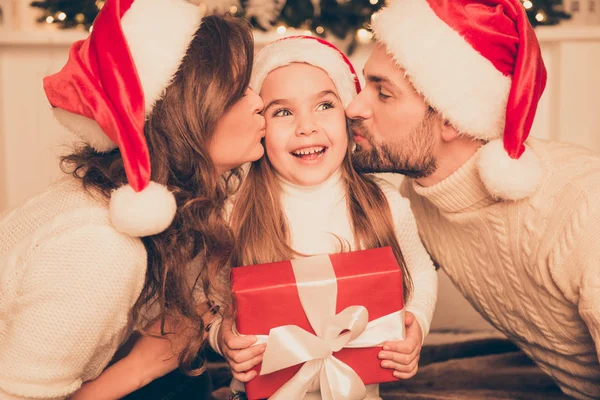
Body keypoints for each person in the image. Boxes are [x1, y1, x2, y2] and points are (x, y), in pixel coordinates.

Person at [0, 1, 265, 398]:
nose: (259, 100)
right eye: (238, 92)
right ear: (185, 115)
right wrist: (140, 367)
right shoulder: (101, 247)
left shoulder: (167, 208)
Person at [346, 0, 600, 399]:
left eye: (384, 93)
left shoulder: (584, 211)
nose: (354, 107)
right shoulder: (423, 197)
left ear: (450, 119)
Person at [214, 35, 438, 400]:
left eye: (324, 105)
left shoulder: (382, 201)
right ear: (260, 127)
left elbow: (421, 273)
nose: (306, 126)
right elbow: (203, 297)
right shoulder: (234, 209)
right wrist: (221, 336)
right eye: (282, 112)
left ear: (348, 117)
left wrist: (416, 326)